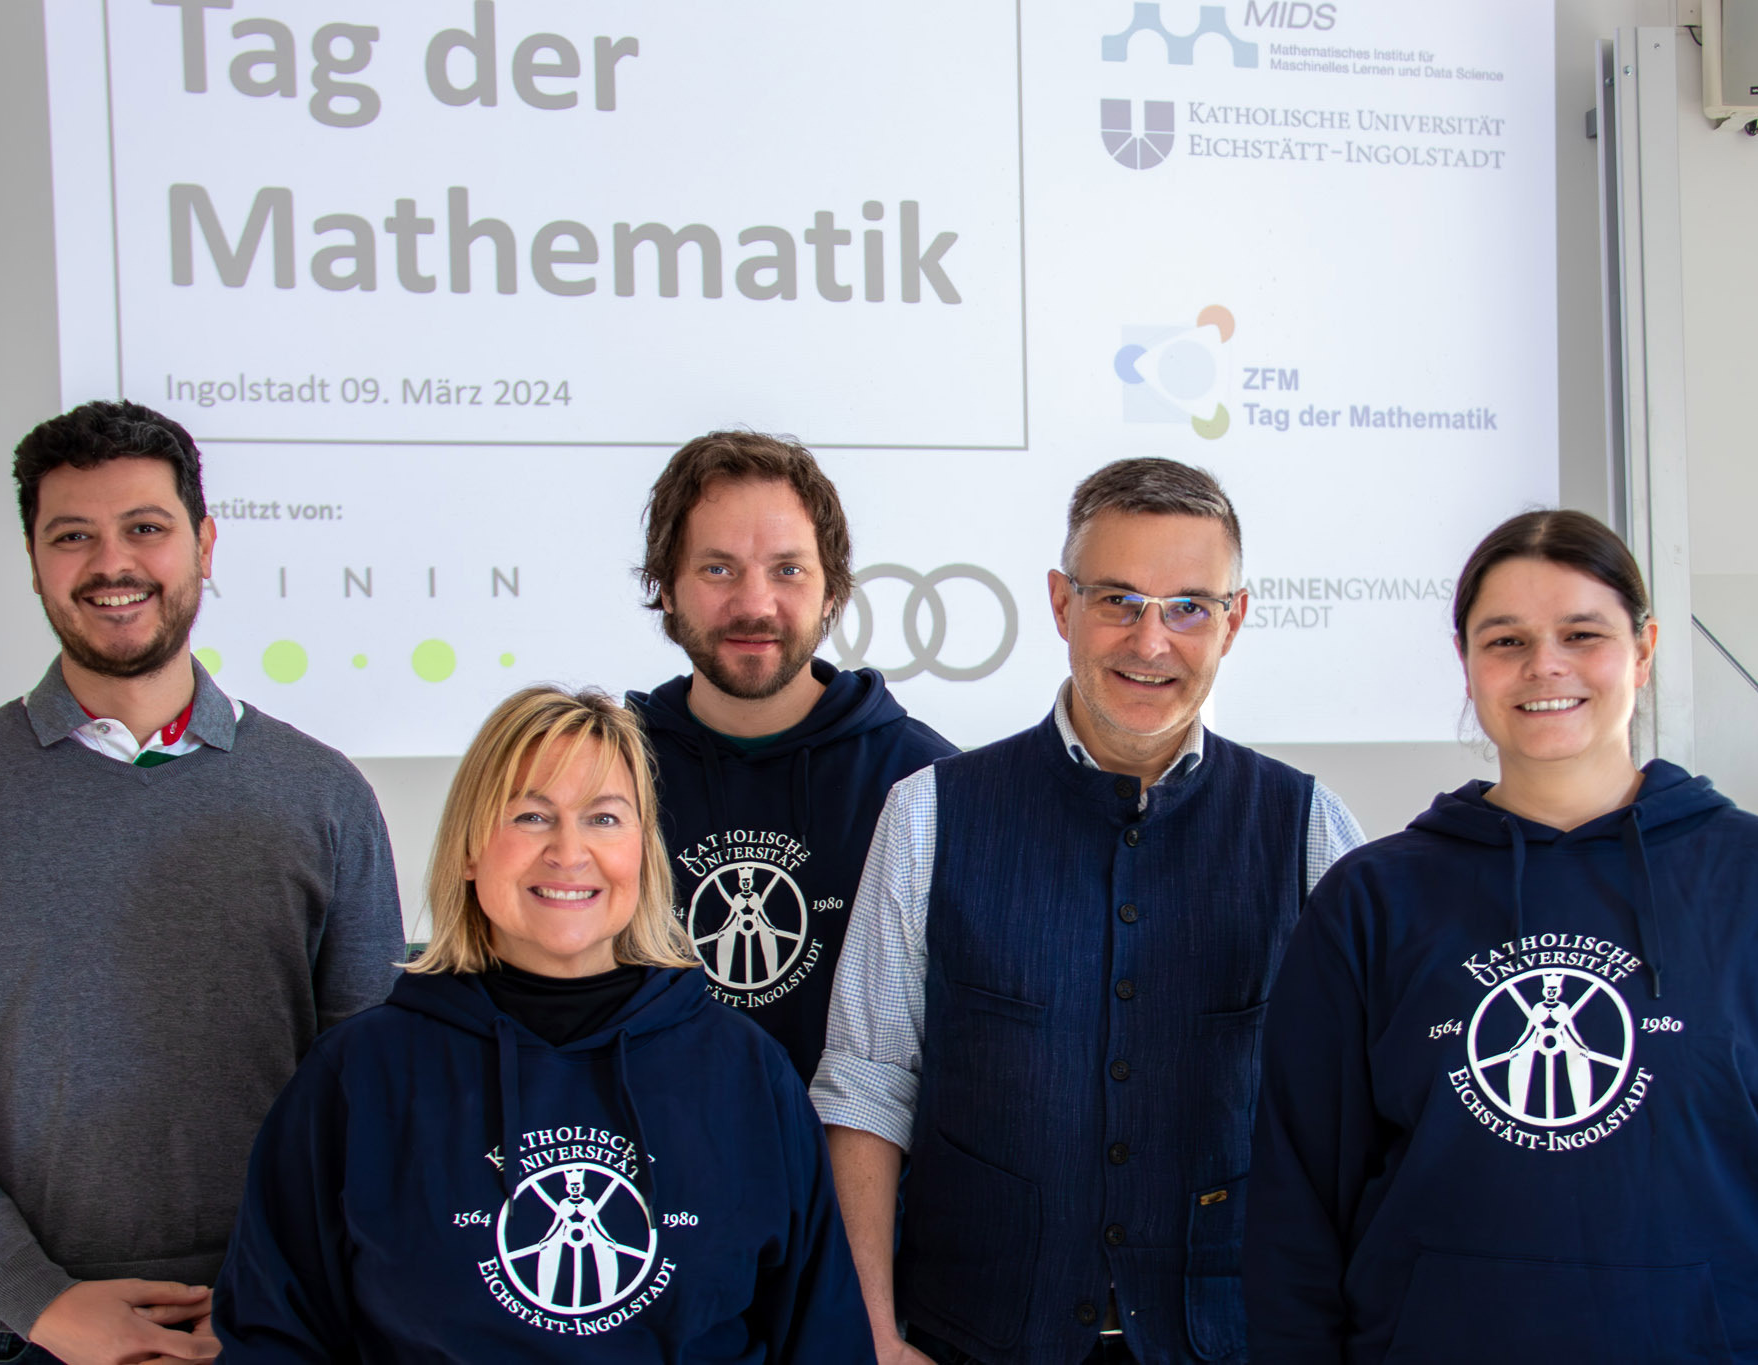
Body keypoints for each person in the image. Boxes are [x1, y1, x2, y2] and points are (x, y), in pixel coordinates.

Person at [812, 458, 1366, 1365]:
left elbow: (1359, 1118)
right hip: (971, 1342)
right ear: (1062, 604)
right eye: (1118, 600)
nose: (1151, 641)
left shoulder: (1310, 828)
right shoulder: (927, 815)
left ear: (1234, 621)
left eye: (1189, 606)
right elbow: (867, 1088)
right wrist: (873, 1335)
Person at [0, 401, 403, 1365]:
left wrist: (273, 1296)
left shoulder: (323, 794)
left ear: (204, 543)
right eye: (73, 535)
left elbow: (369, 1098)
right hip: (18, 1336)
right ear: (33, 559)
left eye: (145, 527)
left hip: (265, 1325)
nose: (113, 563)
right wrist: (41, 1302)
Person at [214, 686, 875, 1361]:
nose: (569, 851)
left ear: (643, 853)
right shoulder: (357, 1076)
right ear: (470, 850)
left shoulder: (747, 1072)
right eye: (531, 816)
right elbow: (275, 1335)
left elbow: (821, 1335)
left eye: (604, 818)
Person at [1244, 509, 1758, 1363]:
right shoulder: (1373, 899)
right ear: (1467, 661)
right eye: (1507, 640)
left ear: (1643, 648)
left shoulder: (1744, 877)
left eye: (1581, 634)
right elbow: (1296, 1208)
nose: (1544, 665)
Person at [628, 431, 955, 1084]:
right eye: (717, 569)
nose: (754, 605)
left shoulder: (927, 785)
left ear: (832, 591)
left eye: (788, 570)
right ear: (666, 587)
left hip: (850, 1150)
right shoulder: (604, 773)